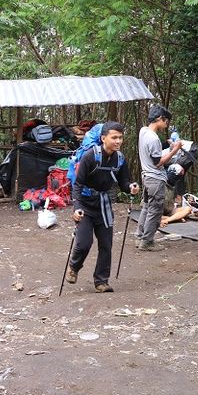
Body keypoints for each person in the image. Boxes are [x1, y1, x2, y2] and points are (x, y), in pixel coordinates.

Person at [64, 122, 140, 292]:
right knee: (84, 243)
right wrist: (76, 207)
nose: (118, 141)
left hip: (103, 205)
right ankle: (74, 267)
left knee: (106, 244)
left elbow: (123, 182)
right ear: (103, 138)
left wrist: (131, 187)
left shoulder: (119, 158)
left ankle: (101, 281)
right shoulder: (90, 156)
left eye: (120, 137)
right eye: (114, 137)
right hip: (85, 204)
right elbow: (77, 184)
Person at [135, 104, 182, 251]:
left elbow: (152, 156)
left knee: (147, 206)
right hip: (155, 178)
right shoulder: (153, 138)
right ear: (160, 119)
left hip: (146, 176)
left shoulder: (143, 131)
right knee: (155, 210)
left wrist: (168, 149)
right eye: (166, 121)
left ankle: (140, 235)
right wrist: (174, 150)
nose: (166, 125)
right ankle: (147, 241)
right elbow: (158, 163)